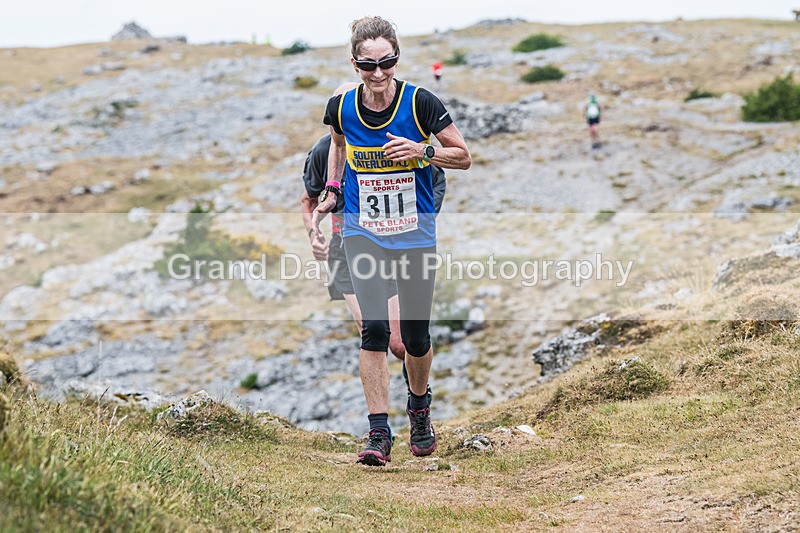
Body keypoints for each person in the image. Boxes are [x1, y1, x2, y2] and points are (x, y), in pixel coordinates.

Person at [312, 16, 471, 467]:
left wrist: (421, 151)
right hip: (364, 232)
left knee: (416, 338)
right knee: (375, 330)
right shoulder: (340, 106)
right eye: (368, 65)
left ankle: (419, 410)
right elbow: (339, 147)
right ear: (354, 62)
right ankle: (378, 433)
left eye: (387, 63)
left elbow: (463, 157)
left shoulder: (421, 102)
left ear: (397, 58)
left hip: (414, 234)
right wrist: (333, 190)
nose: (379, 74)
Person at [300, 126, 447, 401]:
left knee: (400, 344)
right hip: (345, 252)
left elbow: (436, 181)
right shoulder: (322, 151)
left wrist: (422, 219)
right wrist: (313, 234)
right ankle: (381, 426)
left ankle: (417, 396)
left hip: (392, 244)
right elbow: (307, 200)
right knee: (373, 335)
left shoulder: (388, 142)